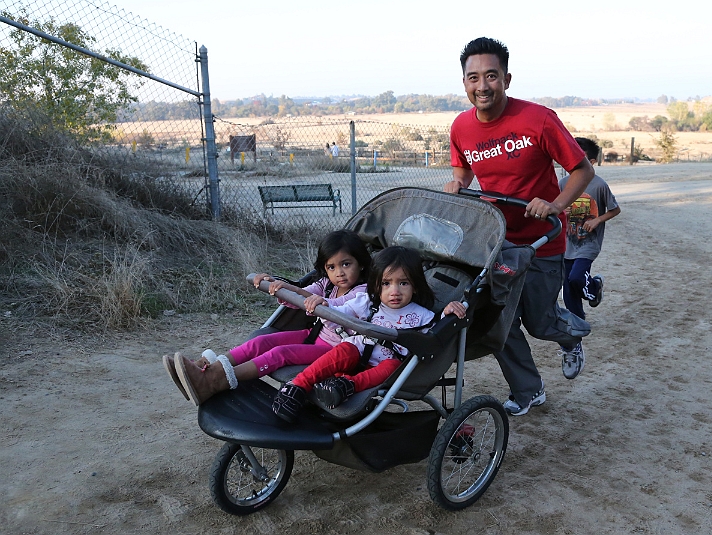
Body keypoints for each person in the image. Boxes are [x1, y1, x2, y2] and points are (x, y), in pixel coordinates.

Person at [443, 37, 595, 416]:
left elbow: (582, 169)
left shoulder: (538, 119)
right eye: (473, 77)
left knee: (540, 323)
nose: (482, 86)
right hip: (496, 243)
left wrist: (557, 204)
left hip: (542, 241)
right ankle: (529, 390)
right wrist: (459, 182)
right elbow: (463, 165)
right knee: (500, 323)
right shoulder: (461, 126)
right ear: (464, 83)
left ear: (507, 79)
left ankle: (570, 336)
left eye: (491, 76)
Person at [163, 229, 372, 406]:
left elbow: (335, 308)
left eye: (346, 264)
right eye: (332, 267)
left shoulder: (364, 293)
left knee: (280, 353)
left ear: (361, 263)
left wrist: (309, 297)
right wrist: (277, 285)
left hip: (335, 350)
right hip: (315, 335)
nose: (339, 273)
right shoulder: (327, 285)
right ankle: (206, 368)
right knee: (262, 341)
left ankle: (215, 381)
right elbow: (299, 295)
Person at [271, 245, 467, 423]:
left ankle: (347, 386)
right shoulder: (367, 302)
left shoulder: (422, 315)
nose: (394, 291)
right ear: (376, 285)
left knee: (392, 365)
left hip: (386, 364)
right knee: (345, 349)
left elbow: (436, 336)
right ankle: (297, 386)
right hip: (356, 353)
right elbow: (339, 314)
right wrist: (324, 305)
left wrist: (448, 312)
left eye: (403, 283)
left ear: (415, 285)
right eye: (386, 283)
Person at [559, 137, 621, 320]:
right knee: (568, 287)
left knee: (577, 277)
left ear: (592, 162)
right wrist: (562, 210)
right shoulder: (563, 184)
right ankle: (578, 321)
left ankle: (594, 287)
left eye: (581, 158)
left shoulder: (599, 185)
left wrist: (597, 220)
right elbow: (556, 210)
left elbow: (615, 209)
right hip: (567, 243)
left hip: (589, 243)